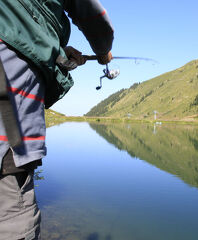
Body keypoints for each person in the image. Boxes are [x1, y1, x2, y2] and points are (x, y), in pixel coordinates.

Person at [0, 0, 114, 239]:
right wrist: (103, 52)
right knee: (14, 222)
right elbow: (92, 13)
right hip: (8, 145)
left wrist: (59, 54)